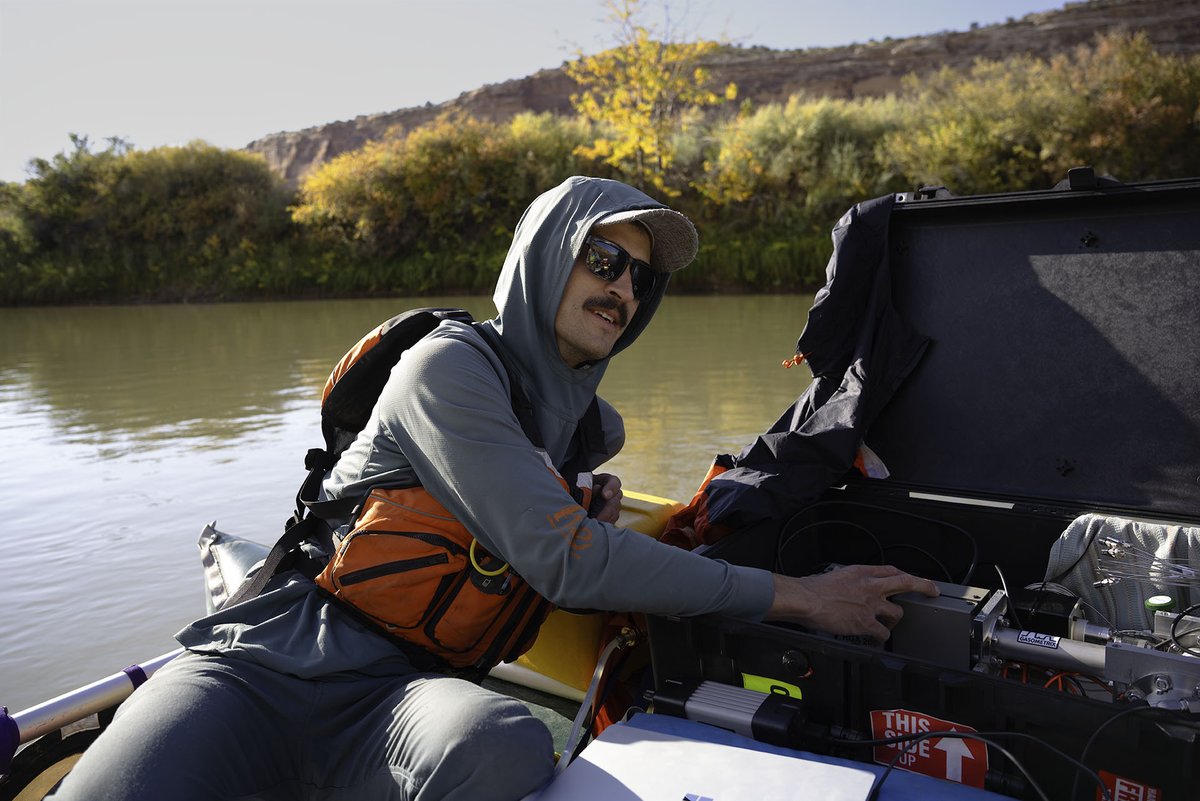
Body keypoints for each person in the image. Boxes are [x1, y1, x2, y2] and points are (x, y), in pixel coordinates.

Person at [50, 176, 937, 801]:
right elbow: (571, 563)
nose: (623, 287)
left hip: (402, 700)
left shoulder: (593, 435)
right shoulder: (450, 366)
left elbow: (568, 551)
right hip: (265, 667)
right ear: (546, 257)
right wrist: (801, 598)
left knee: (507, 740)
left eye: (641, 276)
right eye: (601, 257)